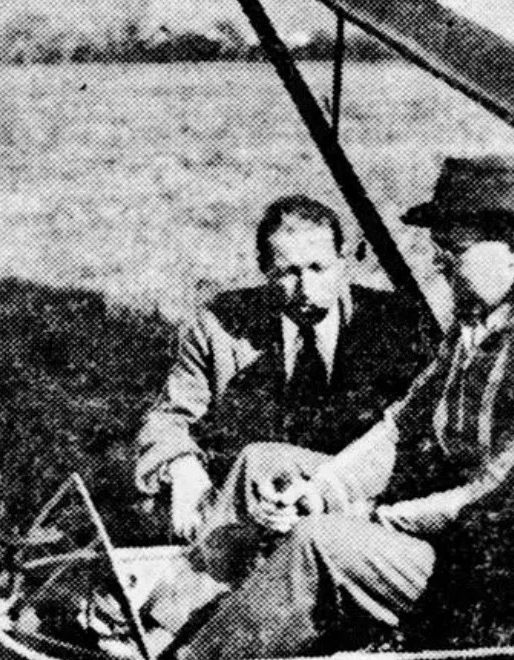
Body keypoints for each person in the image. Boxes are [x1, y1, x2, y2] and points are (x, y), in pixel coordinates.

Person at [134, 155, 514, 660]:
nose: (439, 263)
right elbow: (400, 428)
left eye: (451, 249)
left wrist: (367, 516)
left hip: (489, 558)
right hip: (431, 520)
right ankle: (153, 628)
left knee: (319, 542)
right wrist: (320, 491)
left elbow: (492, 495)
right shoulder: (479, 318)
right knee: (263, 466)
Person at [134, 195, 434, 541]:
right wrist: (182, 466)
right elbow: (169, 417)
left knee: (260, 460)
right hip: (256, 507)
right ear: (264, 271)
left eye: (318, 268)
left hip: (349, 494)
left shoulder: (394, 323)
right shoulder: (223, 325)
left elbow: (415, 439)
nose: (306, 288)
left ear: (343, 261)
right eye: (289, 273)